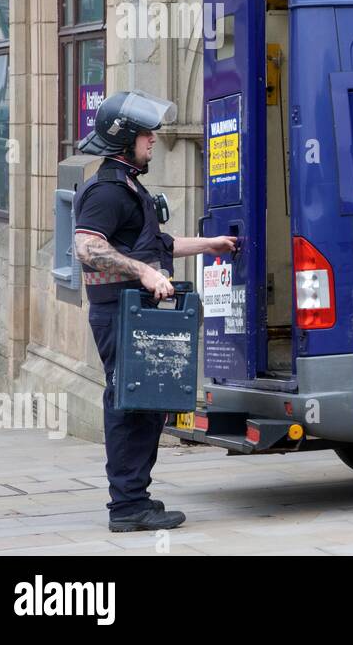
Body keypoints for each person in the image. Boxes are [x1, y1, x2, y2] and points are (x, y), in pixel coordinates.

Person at [72, 90, 237, 532]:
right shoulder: (107, 190)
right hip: (121, 315)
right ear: (126, 139)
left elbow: (157, 245)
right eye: (147, 135)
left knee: (147, 405)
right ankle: (126, 507)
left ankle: (136, 497)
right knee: (129, 406)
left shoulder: (129, 186)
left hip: (138, 315)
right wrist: (144, 273)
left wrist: (211, 245)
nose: (153, 141)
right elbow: (88, 246)